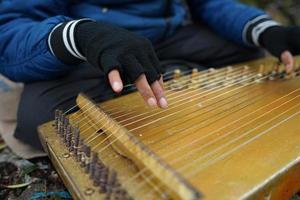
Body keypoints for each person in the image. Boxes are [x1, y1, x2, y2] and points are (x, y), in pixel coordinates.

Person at [0, 0, 299, 150]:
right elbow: (11, 28)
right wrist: (80, 35)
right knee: (41, 118)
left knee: (251, 51)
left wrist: (264, 28)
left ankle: (155, 74)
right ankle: (143, 79)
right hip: (93, 46)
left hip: (167, 36)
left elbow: (209, 3)